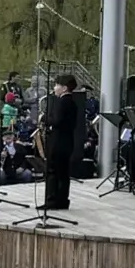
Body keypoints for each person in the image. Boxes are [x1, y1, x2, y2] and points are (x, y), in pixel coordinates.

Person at [39, 74, 84, 211]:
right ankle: (63, 200)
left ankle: (51, 200)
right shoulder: (73, 102)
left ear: (64, 88)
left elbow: (57, 121)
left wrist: (44, 118)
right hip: (67, 142)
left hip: (58, 142)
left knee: (53, 171)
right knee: (63, 173)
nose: (54, 88)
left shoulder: (62, 102)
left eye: (57, 85)